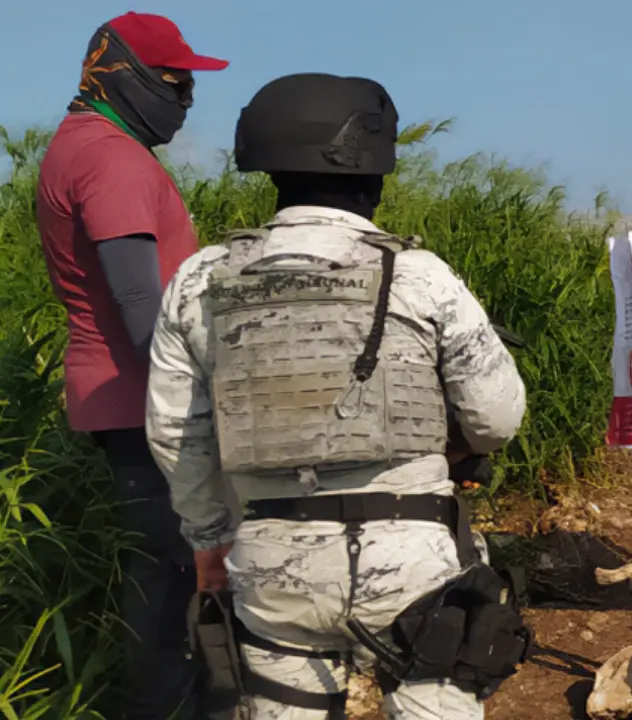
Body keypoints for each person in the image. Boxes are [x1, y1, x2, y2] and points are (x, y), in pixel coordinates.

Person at [145, 72, 531, 719]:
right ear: (375, 173)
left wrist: (209, 539)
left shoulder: (200, 281)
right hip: (415, 564)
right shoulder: (420, 276)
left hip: (272, 561)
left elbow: (175, 432)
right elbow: (496, 417)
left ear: (269, 170)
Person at [34, 11, 228, 720]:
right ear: (126, 75)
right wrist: (200, 396)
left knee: (166, 584)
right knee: (176, 588)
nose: (185, 100)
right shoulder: (111, 157)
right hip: (148, 402)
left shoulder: (82, 145)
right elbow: (140, 299)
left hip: (125, 399)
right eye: (175, 82)